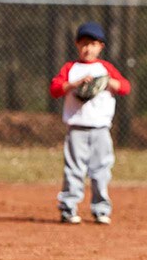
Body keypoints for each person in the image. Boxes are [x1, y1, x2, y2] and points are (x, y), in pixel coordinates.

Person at [49, 21, 131, 225]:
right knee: (73, 170)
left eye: (93, 44)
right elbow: (55, 89)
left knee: (101, 170)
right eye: (84, 43)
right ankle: (68, 208)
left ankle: (101, 209)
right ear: (77, 45)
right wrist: (74, 84)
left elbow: (125, 88)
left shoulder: (105, 68)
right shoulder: (71, 68)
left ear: (100, 46)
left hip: (101, 129)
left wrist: (107, 81)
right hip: (76, 127)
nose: (88, 48)